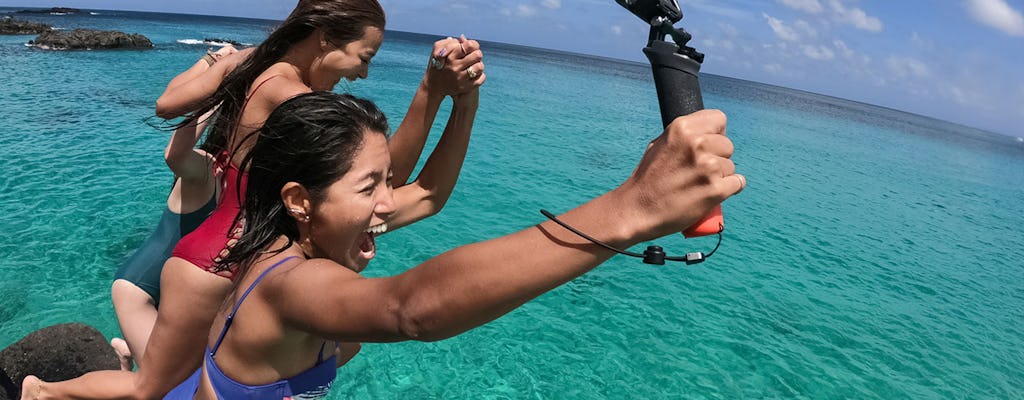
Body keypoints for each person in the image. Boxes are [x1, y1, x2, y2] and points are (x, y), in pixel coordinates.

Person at [27, 91, 743, 399]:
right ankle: (43, 389)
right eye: (371, 186)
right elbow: (411, 310)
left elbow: (428, 198)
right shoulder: (289, 283)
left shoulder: (298, 247)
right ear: (301, 201)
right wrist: (628, 210)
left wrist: (455, 101)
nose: (388, 203)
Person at [20, 0, 485, 397]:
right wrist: (431, 90)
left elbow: (166, 103)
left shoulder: (252, 62)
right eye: (363, 56)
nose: (363, 73)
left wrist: (210, 61)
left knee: (323, 349)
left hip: (246, 250)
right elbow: (387, 178)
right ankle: (43, 390)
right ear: (324, 37)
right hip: (217, 261)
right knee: (150, 389)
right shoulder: (290, 96)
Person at [110, 45, 239, 368]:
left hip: (173, 299)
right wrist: (215, 93)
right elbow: (175, 153)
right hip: (139, 293)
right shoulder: (208, 170)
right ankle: (41, 391)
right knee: (159, 384)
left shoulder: (240, 182)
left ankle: (127, 349)